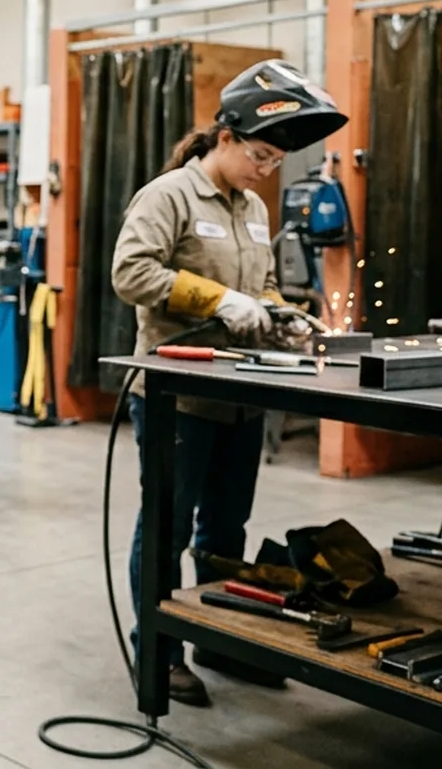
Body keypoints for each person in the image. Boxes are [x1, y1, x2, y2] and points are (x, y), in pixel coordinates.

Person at [111, 60, 346, 707]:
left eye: (275, 163)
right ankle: (158, 649)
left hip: (240, 395)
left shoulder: (252, 209)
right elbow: (130, 274)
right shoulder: (168, 197)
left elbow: (260, 286)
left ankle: (219, 638)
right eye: (260, 156)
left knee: (227, 528)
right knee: (168, 526)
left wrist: (280, 314)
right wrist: (214, 299)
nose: (265, 171)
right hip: (177, 396)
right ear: (227, 136)